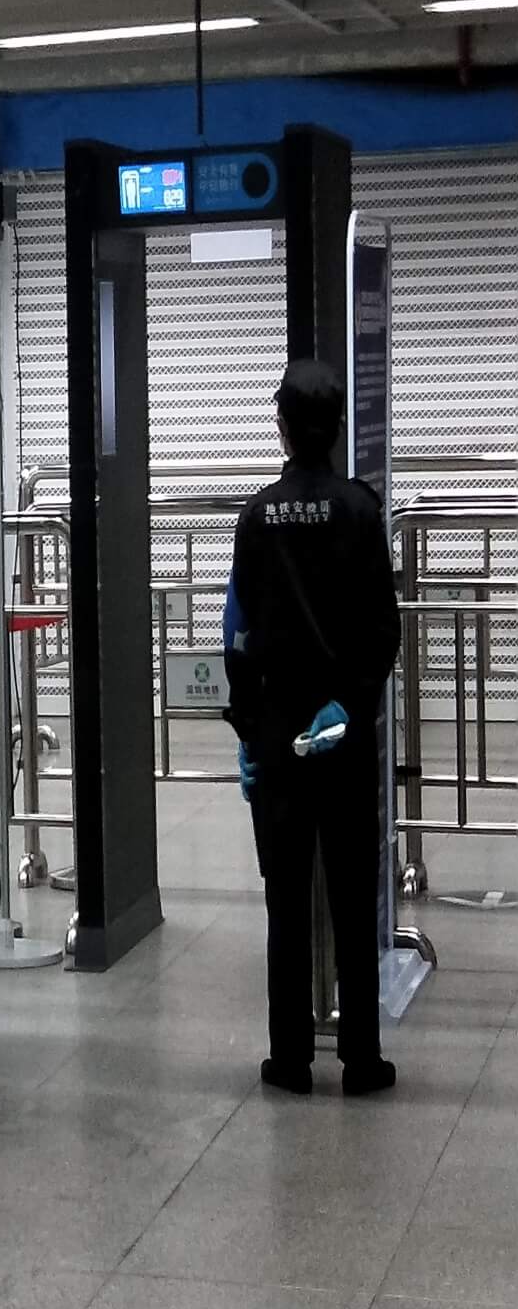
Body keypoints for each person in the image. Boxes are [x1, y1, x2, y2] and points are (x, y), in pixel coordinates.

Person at [223, 360, 401, 1097]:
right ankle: (361, 1057)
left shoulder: (257, 515)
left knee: (286, 899)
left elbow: (239, 635)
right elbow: (383, 631)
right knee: (354, 896)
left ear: (284, 428)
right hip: (343, 734)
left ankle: (290, 1057)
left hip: (279, 733)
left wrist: (248, 729)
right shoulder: (360, 510)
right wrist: (351, 707)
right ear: (336, 428)